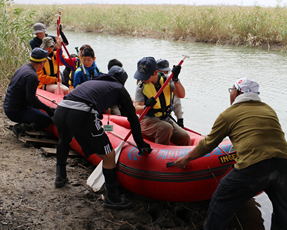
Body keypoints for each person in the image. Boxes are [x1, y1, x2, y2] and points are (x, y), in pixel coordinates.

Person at [174, 77, 287, 230]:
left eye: (231, 90)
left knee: (221, 202)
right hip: (285, 166)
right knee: (285, 214)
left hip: (253, 167)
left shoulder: (229, 114)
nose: (230, 93)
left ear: (237, 92)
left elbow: (208, 143)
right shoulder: (268, 110)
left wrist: (186, 158)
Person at [53, 65, 152, 209]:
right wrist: (140, 142)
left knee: (64, 139)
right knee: (109, 155)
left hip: (61, 109)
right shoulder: (119, 88)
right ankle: (111, 197)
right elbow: (132, 117)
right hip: (81, 114)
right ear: (123, 81)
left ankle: (60, 177)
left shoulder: (93, 81)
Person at [134, 57, 190, 146]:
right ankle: (162, 155)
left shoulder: (167, 81)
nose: (142, 78)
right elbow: (137, 108)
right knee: (165, 128)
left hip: (165, 118)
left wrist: (176, 79)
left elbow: (181, 95)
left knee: (185, 137)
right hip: (147, 120)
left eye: (145, 76)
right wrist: (146, 106)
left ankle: (187, 158)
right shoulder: (141, 86)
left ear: (155, 72)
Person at [4, 48, 55, 136]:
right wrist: (47, 109)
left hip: (9, 106)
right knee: (46, 120)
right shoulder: (32, 76)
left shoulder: (23, 68)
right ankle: (20, 127)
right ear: (42, 62)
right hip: (16, 111)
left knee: (39, 111)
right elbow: (31, 98)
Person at [156, 59, 184, 128]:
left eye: (167, 72)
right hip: (152, 118)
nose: (165, 74)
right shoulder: (149, 82)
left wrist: (180, 119)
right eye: (163, 72)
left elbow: (177, 102)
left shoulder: (170, 83)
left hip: (166, 116)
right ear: (156, 72)